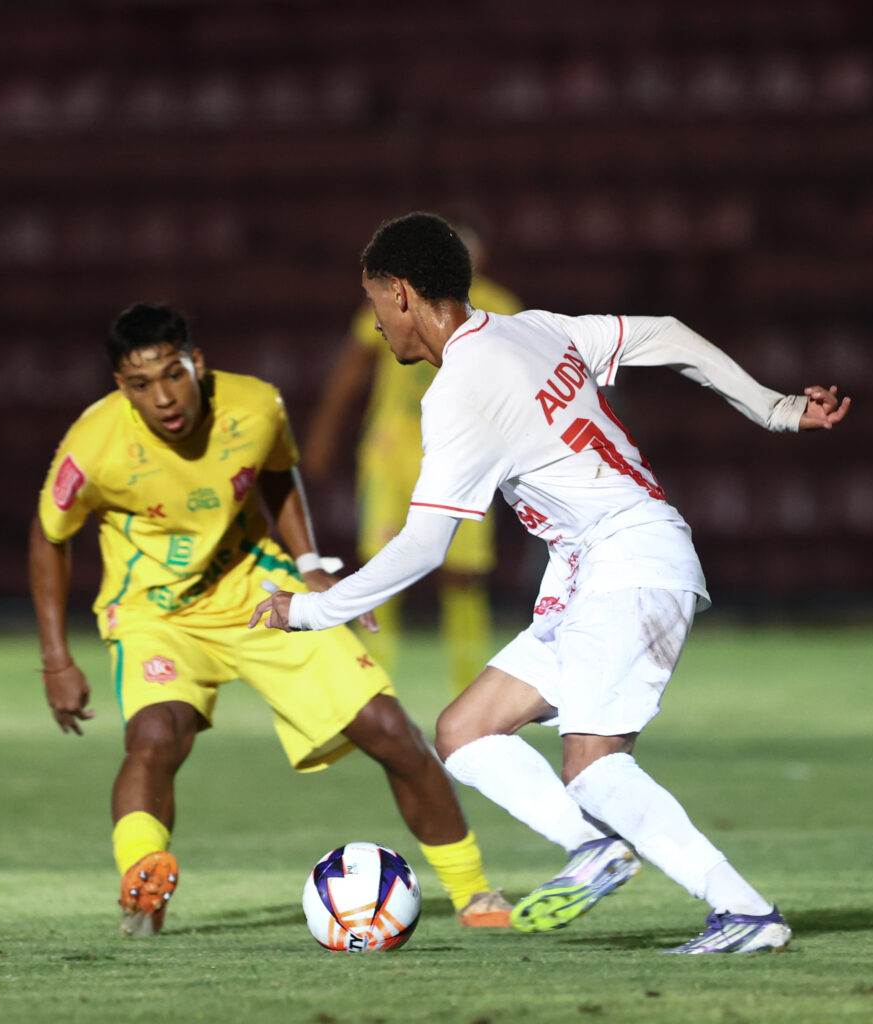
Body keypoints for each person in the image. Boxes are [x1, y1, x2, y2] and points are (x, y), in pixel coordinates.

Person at [250, 212, 851, 954]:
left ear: (401, 294)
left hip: (628, 566)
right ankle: (593, 849)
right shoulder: (530, 329)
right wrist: (775, 408)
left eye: (375, 304)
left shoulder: (460, 390)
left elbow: (424, 546)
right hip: (597, 574)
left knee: (595, 768)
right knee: (465, 733)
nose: (375, 325)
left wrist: (311, 611)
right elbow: (663, 331)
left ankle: (745, 911)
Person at [29, 301, 512, 937]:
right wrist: (57, 659)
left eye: (172, 374)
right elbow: (48, 536)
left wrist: (309, 562)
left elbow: (277, 476)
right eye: (141, 385)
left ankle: (474, 894)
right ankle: (143, 886)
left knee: (389, 727)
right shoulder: (93, 445)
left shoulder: (255, 406)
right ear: (122, 387)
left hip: (259, 594)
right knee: (154, 736)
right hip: (158, 614)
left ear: (195, 362)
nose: (163, 398)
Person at [301, 223, 522, 694]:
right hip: (392, 450)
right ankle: (372, 686)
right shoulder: (396, 301)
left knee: (463, 575)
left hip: (464, 450)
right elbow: (352, 370)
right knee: (383, 565)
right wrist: (323, 434)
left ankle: (469, 687)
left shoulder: (500, 307)